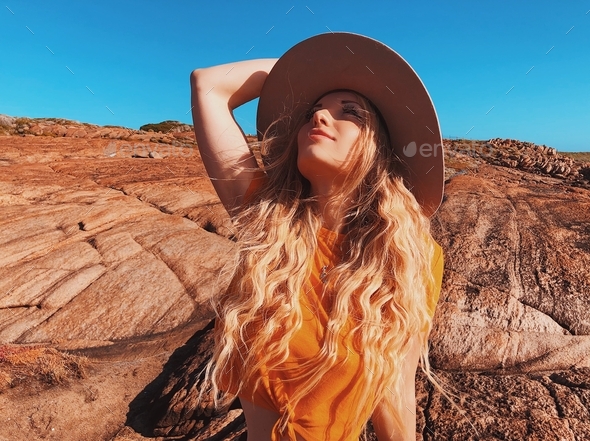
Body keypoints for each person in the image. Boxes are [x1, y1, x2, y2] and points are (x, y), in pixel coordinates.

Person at [190, 33, 445, 441]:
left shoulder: (412, 254)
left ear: (378, 148)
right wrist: (301, 71)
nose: (320, 118)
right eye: (313, 110)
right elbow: (208, 84)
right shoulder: (267, 223)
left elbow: (395, 390)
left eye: (351, 113)